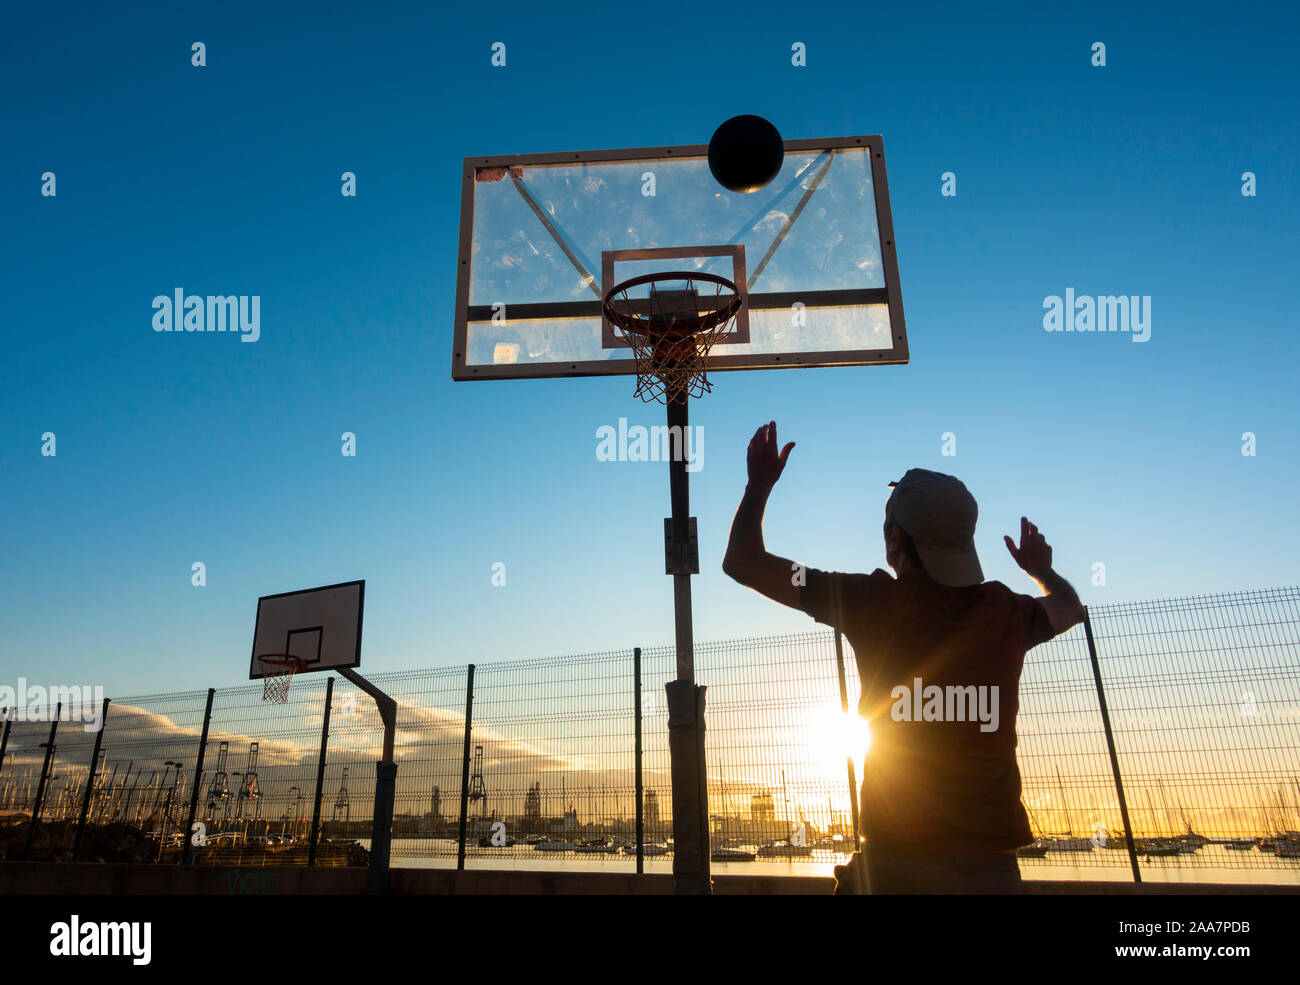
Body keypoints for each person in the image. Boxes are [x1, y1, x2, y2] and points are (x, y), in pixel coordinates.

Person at [721, 422, 1085, 893]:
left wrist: (759, 486)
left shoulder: (869, 602)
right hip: (992, 875)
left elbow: (743, 562)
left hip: (895, 870)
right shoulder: (1005, 612)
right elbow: (1069, 607)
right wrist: (1041, 569)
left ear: (897, 539)